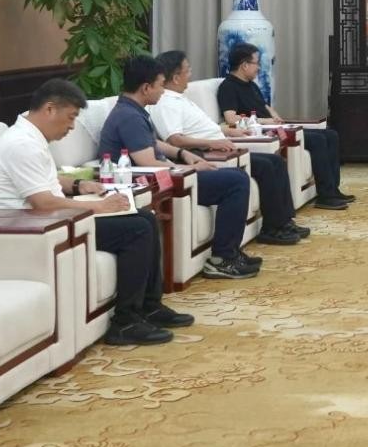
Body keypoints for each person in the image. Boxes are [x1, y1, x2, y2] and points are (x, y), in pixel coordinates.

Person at [0, 78, 192, 345]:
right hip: (33, 228)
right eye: (70, 118)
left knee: (146, 218)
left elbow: (46, 181)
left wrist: (79, 185)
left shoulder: (30, 138)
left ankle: (149, 306)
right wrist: (98, 206)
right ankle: (125, 323)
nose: (72, 127)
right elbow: (43, 203)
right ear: (49, 109)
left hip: (54, 219)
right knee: (137, 229)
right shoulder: (21, 144)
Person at [101, 55, 258, 280]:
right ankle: (222, 259)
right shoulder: (129, 117)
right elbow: (147, 162)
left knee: (235, 177)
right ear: (146, 88)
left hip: (168, 174)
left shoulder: (133, 109)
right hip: (155, 184)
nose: (162, 91)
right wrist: (187, 170)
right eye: (159, 85)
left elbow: (153, 143)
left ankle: (229, 253)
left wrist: (183, 155)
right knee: (236, 182)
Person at [151, 50, 308, 246]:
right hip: (206, 154)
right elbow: (175, 140)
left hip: (220, 146)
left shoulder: (179, 98)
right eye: (188, 70)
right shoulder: (166, 103)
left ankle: (284, 222)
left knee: (275, 161)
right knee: (266, 166)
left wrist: (229, 131)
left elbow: (205, 128)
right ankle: (273, 228)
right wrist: (212, 143)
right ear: (175, 78)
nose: (190, 75)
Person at [218, 43, 352, 209]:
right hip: (263, 132)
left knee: (330, 135)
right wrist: (265, 121)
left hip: (276, 127)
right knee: (317, 140)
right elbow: (231, 118)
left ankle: (333, 190)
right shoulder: (228, 87)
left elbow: (264, 106)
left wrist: (275, 116)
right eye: (256, 63)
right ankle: (326, 196)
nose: (259, 68)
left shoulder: (250, 84)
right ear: (244, 65)